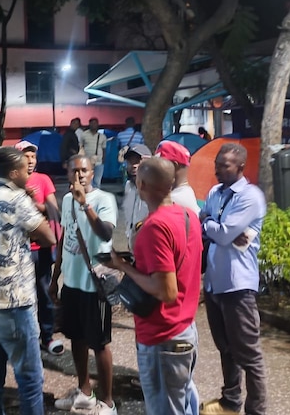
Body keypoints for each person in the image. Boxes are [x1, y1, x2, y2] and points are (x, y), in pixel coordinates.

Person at [108, 158, 201, 415]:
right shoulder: (188, 216)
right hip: (185, 329)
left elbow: (166, 291)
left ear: (142, 184)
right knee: (183, 406)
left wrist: (123, 267)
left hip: (163, 338)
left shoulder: (155, 227)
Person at [0, 147, 57, 415]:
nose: (28, 172)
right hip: (14, 301)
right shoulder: (17, 198)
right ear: (13, 173)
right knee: (30, 378)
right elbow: (48, 237)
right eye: (24, 169)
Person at [199, 143, 267, 415]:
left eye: (224, 164)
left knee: (249, 356)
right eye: (217, 163)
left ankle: (256, 410)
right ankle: (230, 401)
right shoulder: (215, 192)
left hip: (238, 285)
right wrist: (215, 226)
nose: (217, 169)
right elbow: (214, 227)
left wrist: (212, 224)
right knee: (225, 348)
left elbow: (223, 233)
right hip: (215, 282)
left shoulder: (251, 197)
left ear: (240, 167)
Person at [51, 155, 119, 415]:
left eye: (84, 170)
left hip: (95, 285)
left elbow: (105, 233)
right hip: (72, 282)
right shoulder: (67, 200)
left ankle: (108, 402)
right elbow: (65, 238)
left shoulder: (104, 200)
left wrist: (85, 204)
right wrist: (55, 277)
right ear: (68, 173)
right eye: (74, 170)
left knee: (99, 343)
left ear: (93, 173)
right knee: (76, 337)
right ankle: (84, 392)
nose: (79, 175)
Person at [15, 140, 65, 356]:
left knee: (43, 291)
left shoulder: (43, 180)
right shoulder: (12, 181)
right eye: (26, 157)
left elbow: (54, 210)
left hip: (40, 247)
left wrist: (34, 204)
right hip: (18, 248)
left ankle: (47, 335)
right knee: (21, 294)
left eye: (33, 157)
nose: (31, 161)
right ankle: (25, 337)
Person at [156, 141, 200, 214]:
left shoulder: (175, 200)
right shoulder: (183, 192)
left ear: (175, 166)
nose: (157, 168)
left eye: (160, 164)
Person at [122, 144, 152, 251]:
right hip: (133, 241)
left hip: (149, 244)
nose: (133, 165)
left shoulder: (154, 189)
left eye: (138, 161)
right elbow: (129, 215)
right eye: (130, 161)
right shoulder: (128, 186)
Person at [80, 118, 107, 189]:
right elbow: (81, 147)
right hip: (87, 162)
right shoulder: (84, 135)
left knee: (97, 182)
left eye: (95, 123)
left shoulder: (102, 136)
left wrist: (103, 160)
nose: (93, 125)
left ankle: (97, 197)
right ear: (89, 124)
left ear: (98, 124)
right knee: (88, 181)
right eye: (92, 123)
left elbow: (104, 149)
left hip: (99, 163)